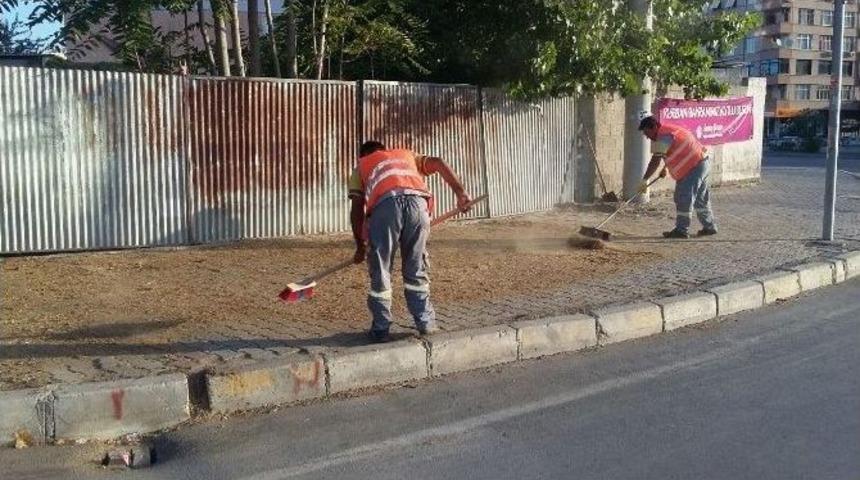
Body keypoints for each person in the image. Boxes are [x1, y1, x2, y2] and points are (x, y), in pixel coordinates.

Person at [348, 141, 472, 343]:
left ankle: (380, 329)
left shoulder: (361, 166)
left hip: (385, 207)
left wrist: (360, 245)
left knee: (381, 268)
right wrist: (461, 193)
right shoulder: (406, 155)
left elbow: (356, 208)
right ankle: (426, 323)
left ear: (363, 155)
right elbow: (438, 162)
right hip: (418, 205)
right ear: (385, 150)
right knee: (416, 266)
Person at [637, 116, 718, 239]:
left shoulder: (663, 136)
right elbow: (674, 150)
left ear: (654, 127)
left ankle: (681, 230)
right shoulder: (669, 130)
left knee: (683, 198)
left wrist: (644, 180)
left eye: (647, 133)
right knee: (700, 199)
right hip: (701, 163)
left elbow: (655, 160)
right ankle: (710, 227)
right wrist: (665, 168)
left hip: (692, 168)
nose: (647, 137)